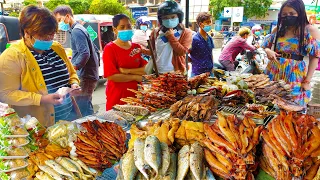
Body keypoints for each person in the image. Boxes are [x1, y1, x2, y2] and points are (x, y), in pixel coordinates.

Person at [0, 5, 80, 127]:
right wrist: (41, 99)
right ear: (27, 32)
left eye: (52, 33)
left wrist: (74, 83)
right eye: (44, 35)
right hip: (37, 128)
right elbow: (5, 94)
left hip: (69, 118)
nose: (49, 38)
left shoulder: (57, 48)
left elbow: (71, 73)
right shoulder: (12, 56)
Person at [262, 0, 320, 106]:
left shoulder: (309, 30)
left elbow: (314, 57)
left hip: (294, 73)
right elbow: (265, 46)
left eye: (292, 13)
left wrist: (307, 81)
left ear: (300, 13)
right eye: (284, 14)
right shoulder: (278, 30)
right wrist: (268, 51)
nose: (288, 16)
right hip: (274, 70)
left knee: (293, 103)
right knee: (269, 102)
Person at [54, 5, 99, 116]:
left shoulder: (77, 31)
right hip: (89, 74)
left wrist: (73, 68)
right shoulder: (78, 29)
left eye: (60, 20)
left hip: (85, 75)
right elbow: (93, 50)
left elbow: (84, 53)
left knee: (82, 109)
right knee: (86, 106)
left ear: (68, 16)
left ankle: (90, 130)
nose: (59, 23)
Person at [103, 14, 147, 110]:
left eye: (129, 26)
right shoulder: (110, 49)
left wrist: (127, 71)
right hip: (118, 98)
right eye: (122, 27)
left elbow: (145, 70)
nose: (126, 29)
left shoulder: (136, 47)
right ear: (115, 30)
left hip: (137, 97)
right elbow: (111, 75)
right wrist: (135, 77)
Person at [148, 0, 192, 74]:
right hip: (158, 72)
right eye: (165, 18)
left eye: (173, 17)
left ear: (179, 17)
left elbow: (182, 52)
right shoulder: (156, 32)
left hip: (176, 73)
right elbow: (153, 51)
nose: (169, 20)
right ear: (161, 19)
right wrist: (141, 50)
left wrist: (171, 37)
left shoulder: (186, 32)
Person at [189, 12, 214, 76]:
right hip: (197, 74)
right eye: (207, 22)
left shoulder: (210, 38)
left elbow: (211, 54)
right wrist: (194, 61)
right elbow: (185, 55)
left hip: (209, 73)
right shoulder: (194, 39)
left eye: (210, 22)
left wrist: (212, 69)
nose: (210, 24)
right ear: (200, 24)